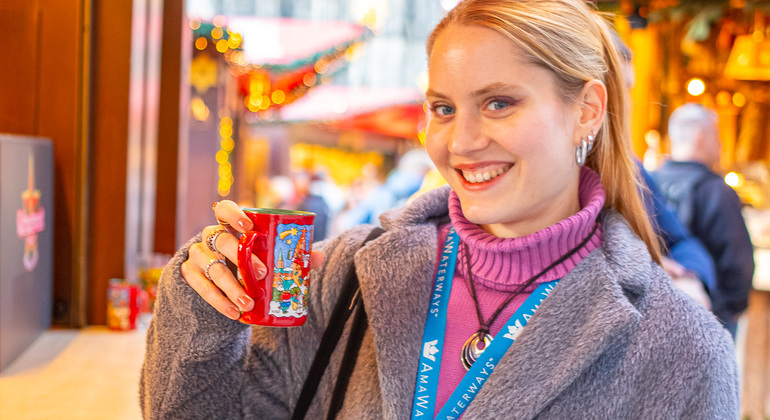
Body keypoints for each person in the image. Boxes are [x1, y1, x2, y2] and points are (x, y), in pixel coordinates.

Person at [141, 1, 739, 419]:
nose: (460, 142)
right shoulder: (349, 274)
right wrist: (205, 310)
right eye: (444, 108)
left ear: (586, 110)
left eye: (499, 103)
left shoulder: (681, 353)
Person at [612, 32, 717, 308]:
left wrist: (690, 280)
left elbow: (681, 241)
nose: (624, 106)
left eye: (627, 91)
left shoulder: (630, 168)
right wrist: (651, 267)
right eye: (614, 90)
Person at [652, 103, 755, 338]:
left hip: (657, 315)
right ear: (700, 137)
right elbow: (737, 263)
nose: (721, 145)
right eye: (717, 136)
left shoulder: (649, 183)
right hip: (708, 317)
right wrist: (729, 311)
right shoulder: (717, 192)